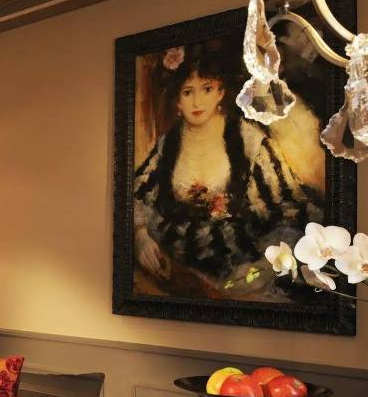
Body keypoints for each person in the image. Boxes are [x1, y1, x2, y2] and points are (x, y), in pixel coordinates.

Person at [133, 45, 323, 297]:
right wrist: (140, 235)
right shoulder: (169, 144)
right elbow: (139, 193)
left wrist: (262, 267)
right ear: (178, 101)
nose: (197, 102)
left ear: (221, 92)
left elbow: (286, 208)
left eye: (207, 89)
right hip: (180, 265)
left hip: (238, 265)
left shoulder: (248, 141)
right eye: (188, 92)